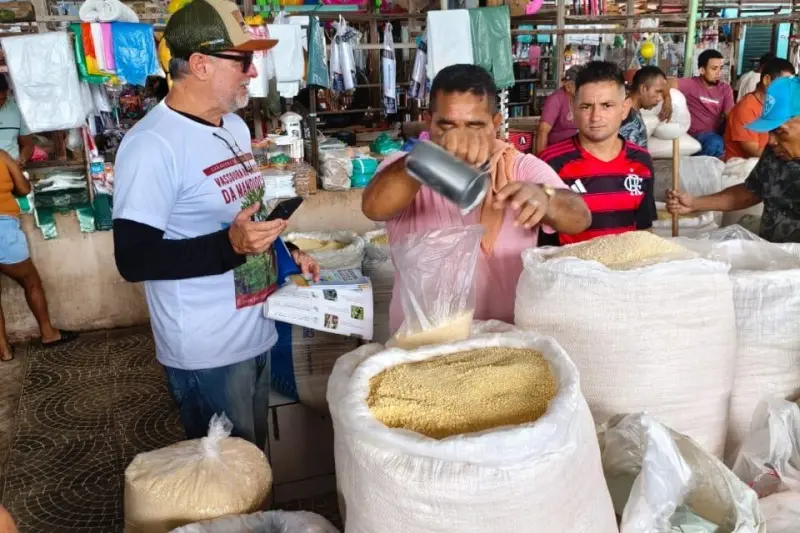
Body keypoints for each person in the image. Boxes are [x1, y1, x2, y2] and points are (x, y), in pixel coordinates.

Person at [112, 0, 320, 447]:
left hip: (256, 329)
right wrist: (231, 246)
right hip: (207, 352)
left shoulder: (234, 127)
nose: (252, 72)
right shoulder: (152, 145)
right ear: (200, 64)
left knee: (256, 463)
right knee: (230, 477)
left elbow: (242, 217)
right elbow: (134, 259)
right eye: (243, 61)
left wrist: (285, 251)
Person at [362, 64, 590, 332]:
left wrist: (545, 197)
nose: (461, 138)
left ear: (495, 123)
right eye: (448, 126)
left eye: (474, 126)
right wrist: (423, 159)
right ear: (428, 120)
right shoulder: (405, 168)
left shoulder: (518, 167)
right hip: (419, 342)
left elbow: (580, 218)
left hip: (503, 340)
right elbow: (373, 207)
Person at [667, 76, 800, 243]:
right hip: (770, 252)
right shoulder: (775, 153)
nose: (771, 141)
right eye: (770, 132)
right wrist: (694, 203)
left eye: (780, 132)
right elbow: (751, 191)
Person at [540, 61, 657, 245]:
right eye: (586, 106)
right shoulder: (551, 163)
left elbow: (644, 230)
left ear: (624, 108)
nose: (595, 117)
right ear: (573, 108)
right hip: (568, 263)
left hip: (626, 263)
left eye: (607, 105)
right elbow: (542, 240)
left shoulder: (642, 162)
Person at [0, 150, 77, 362]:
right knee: (30, 281)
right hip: (3, 229)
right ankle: (48, 333)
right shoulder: (2, 156)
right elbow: (24, 189)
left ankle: (4, 350)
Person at [723, 58, 795, 161]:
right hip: (744, 167)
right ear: (767, 80)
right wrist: (789, 155)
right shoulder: (746, 109)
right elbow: (753, 152)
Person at [669, 50, 734, 158]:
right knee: (716, 144)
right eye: (714, 68)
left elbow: (730, 115)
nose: (719, 73)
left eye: (720, 68)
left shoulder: (725, 89)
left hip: (714, 134)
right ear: (702, 70)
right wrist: (667, 99)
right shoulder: (692, 84)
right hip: (695, 135)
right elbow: (669, 82)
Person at [620, 66, 669, 148]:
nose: (659, 98)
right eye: (657, 91)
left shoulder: (631, 110)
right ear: (643, 89)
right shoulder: (628, 118)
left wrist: (668, 98)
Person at [535, 66, 580, 154]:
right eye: (580, 86)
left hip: (579, 151)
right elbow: (542, 131)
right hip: (559, 153)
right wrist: (541, 159)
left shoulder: (582, 99)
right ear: (568, 87)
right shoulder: (556, 99)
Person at [0, 76, 34, 168]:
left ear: (7, 92)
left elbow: (28, 144)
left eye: (2, 99)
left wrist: (21, 160)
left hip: (11, 170)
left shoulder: (17, 109)